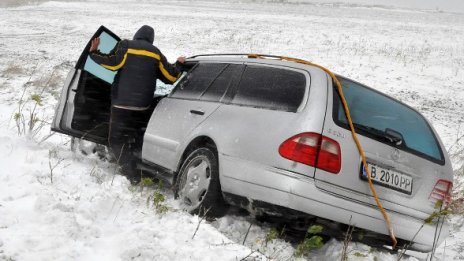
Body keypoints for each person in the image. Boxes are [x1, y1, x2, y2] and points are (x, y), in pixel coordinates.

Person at [89, 25, 185, 183]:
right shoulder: (156, 53)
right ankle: (135, 166)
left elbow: (113, 64)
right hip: (142, 106)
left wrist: (94, 53)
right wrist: (179, 64)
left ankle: (131, 175)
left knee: (116, 140)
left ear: (137, 35)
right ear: (151, 39)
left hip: (122, 104)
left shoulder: (126, 45)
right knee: (131, 137)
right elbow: (170, 77)